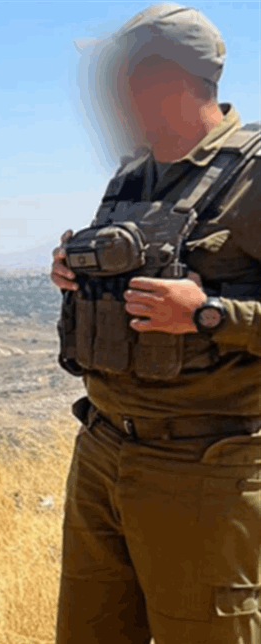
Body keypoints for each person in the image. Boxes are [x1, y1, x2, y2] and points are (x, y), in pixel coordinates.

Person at [50, 4, 261, 643]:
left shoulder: (253, 174)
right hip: (102, 449)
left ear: (163, 75)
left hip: (204, 468)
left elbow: (200, 307)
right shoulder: (132, 176)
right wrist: (78, 271)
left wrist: (207, 313)